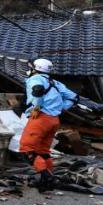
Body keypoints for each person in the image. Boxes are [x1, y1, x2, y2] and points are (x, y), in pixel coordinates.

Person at [20, 58, 77, 190]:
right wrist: (60, 108)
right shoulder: (54, 82)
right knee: (43, 151)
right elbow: (74, 97)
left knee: (27, 149)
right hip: (54, 119)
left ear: (36, 68)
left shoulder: (36, 79)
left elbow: (38, 90)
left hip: (40, 118)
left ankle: (47, 177)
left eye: (30, 67)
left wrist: (37, 107)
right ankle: (48, 180)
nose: (28, 69)